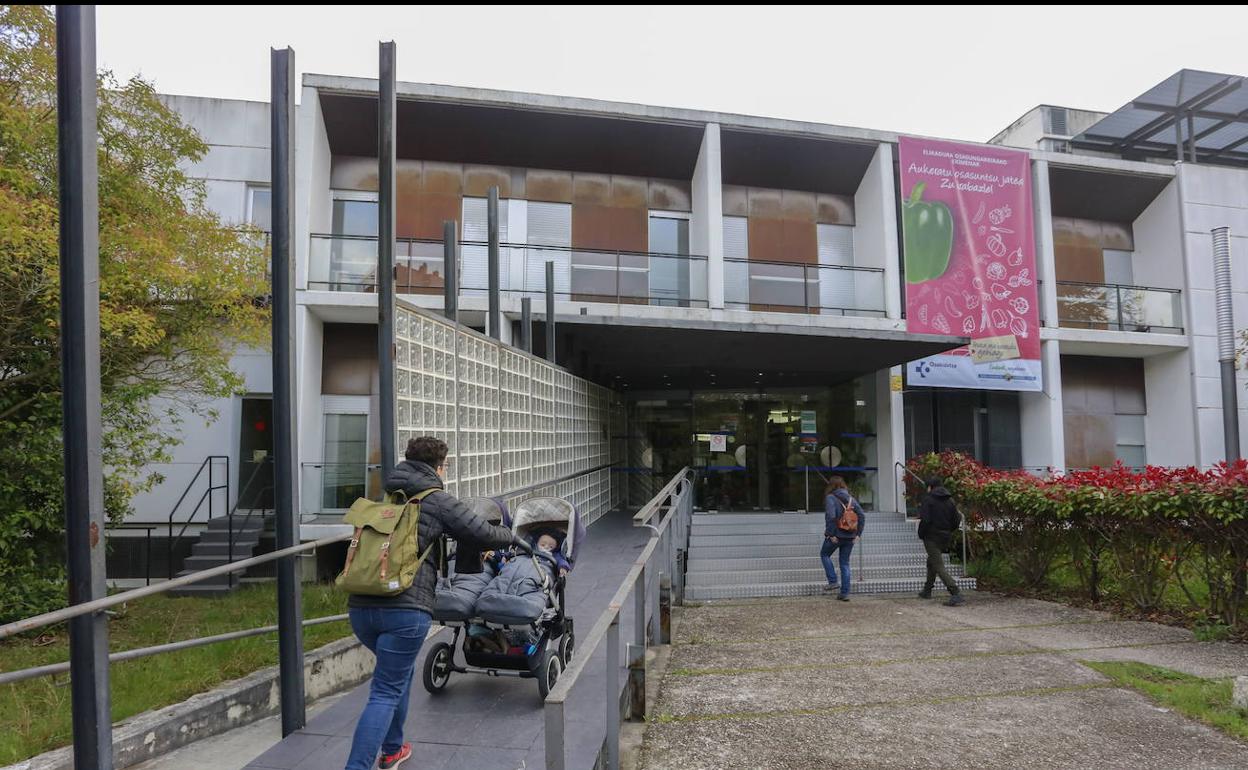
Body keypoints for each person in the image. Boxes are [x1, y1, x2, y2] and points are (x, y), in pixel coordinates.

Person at [344, 436, 516, 770]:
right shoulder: (436, 499)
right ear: (439, 466)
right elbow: (480, 532)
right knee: (384, 692)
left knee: (397, 677)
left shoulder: (387, 495)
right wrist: (513, 536)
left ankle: (393, 750)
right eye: (446, 466)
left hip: (362, 608)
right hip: (404, 612)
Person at [918, 477, 965, 607]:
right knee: (932, 562)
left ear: (930, 487)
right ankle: (927, 590)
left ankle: (955, 592)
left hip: (931, 536)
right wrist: (949, 530)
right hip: (945, 536)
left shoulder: (928, 500)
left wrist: (921, 533)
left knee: (938, 565)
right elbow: (957, 518)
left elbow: (925, 520)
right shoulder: (950, 500)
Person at [820, 476, 865, 601]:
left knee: (824, 554)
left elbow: (830, 516)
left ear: (831, 486)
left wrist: (830, 534)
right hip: (850, 536)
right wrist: (858, 534)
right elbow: (861, 515)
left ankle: (833, 581)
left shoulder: (830, 498)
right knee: (844, 563)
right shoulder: (851, 499)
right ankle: (844, 593)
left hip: (836, 535)